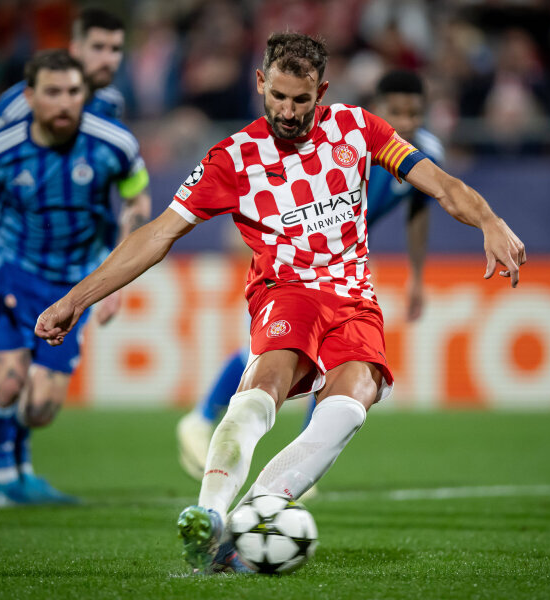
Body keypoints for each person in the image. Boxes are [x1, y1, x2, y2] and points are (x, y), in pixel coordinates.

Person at [34, 33, 525, 572]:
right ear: (261, 84)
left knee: (353, 403)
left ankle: (247, 522)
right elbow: (156, 236)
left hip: (354, 300)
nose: (288, 112)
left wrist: (491, 221)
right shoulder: (235, 158)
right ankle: (209, 513)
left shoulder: (358, 129)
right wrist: (76, 299)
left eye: (301, 100)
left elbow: (439, 184)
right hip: (287, 292)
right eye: (279, 97)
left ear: (323, 92)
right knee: (264, 385)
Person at [175, 68, 444, 483]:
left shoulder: (422, 152)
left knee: (327, 358)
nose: (406, 123)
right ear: (378, 110)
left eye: (415, 114)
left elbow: (420, 210)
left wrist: (418, 275)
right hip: (289, 248)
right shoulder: (351, 141)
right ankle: (201, 417)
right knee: (274, 350)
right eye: (397, 112)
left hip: (339, 261)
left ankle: (289, 453)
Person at [0, 49, 150, 520]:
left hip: (73, 285)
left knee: (41, 406)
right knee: (9, 381)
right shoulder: (0, 151)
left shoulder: (115, 144)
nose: (65, 102)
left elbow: (137, 202)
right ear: (30, 96)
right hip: (14, 274)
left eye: (74, 92)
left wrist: (115, 278)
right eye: (53, 92)